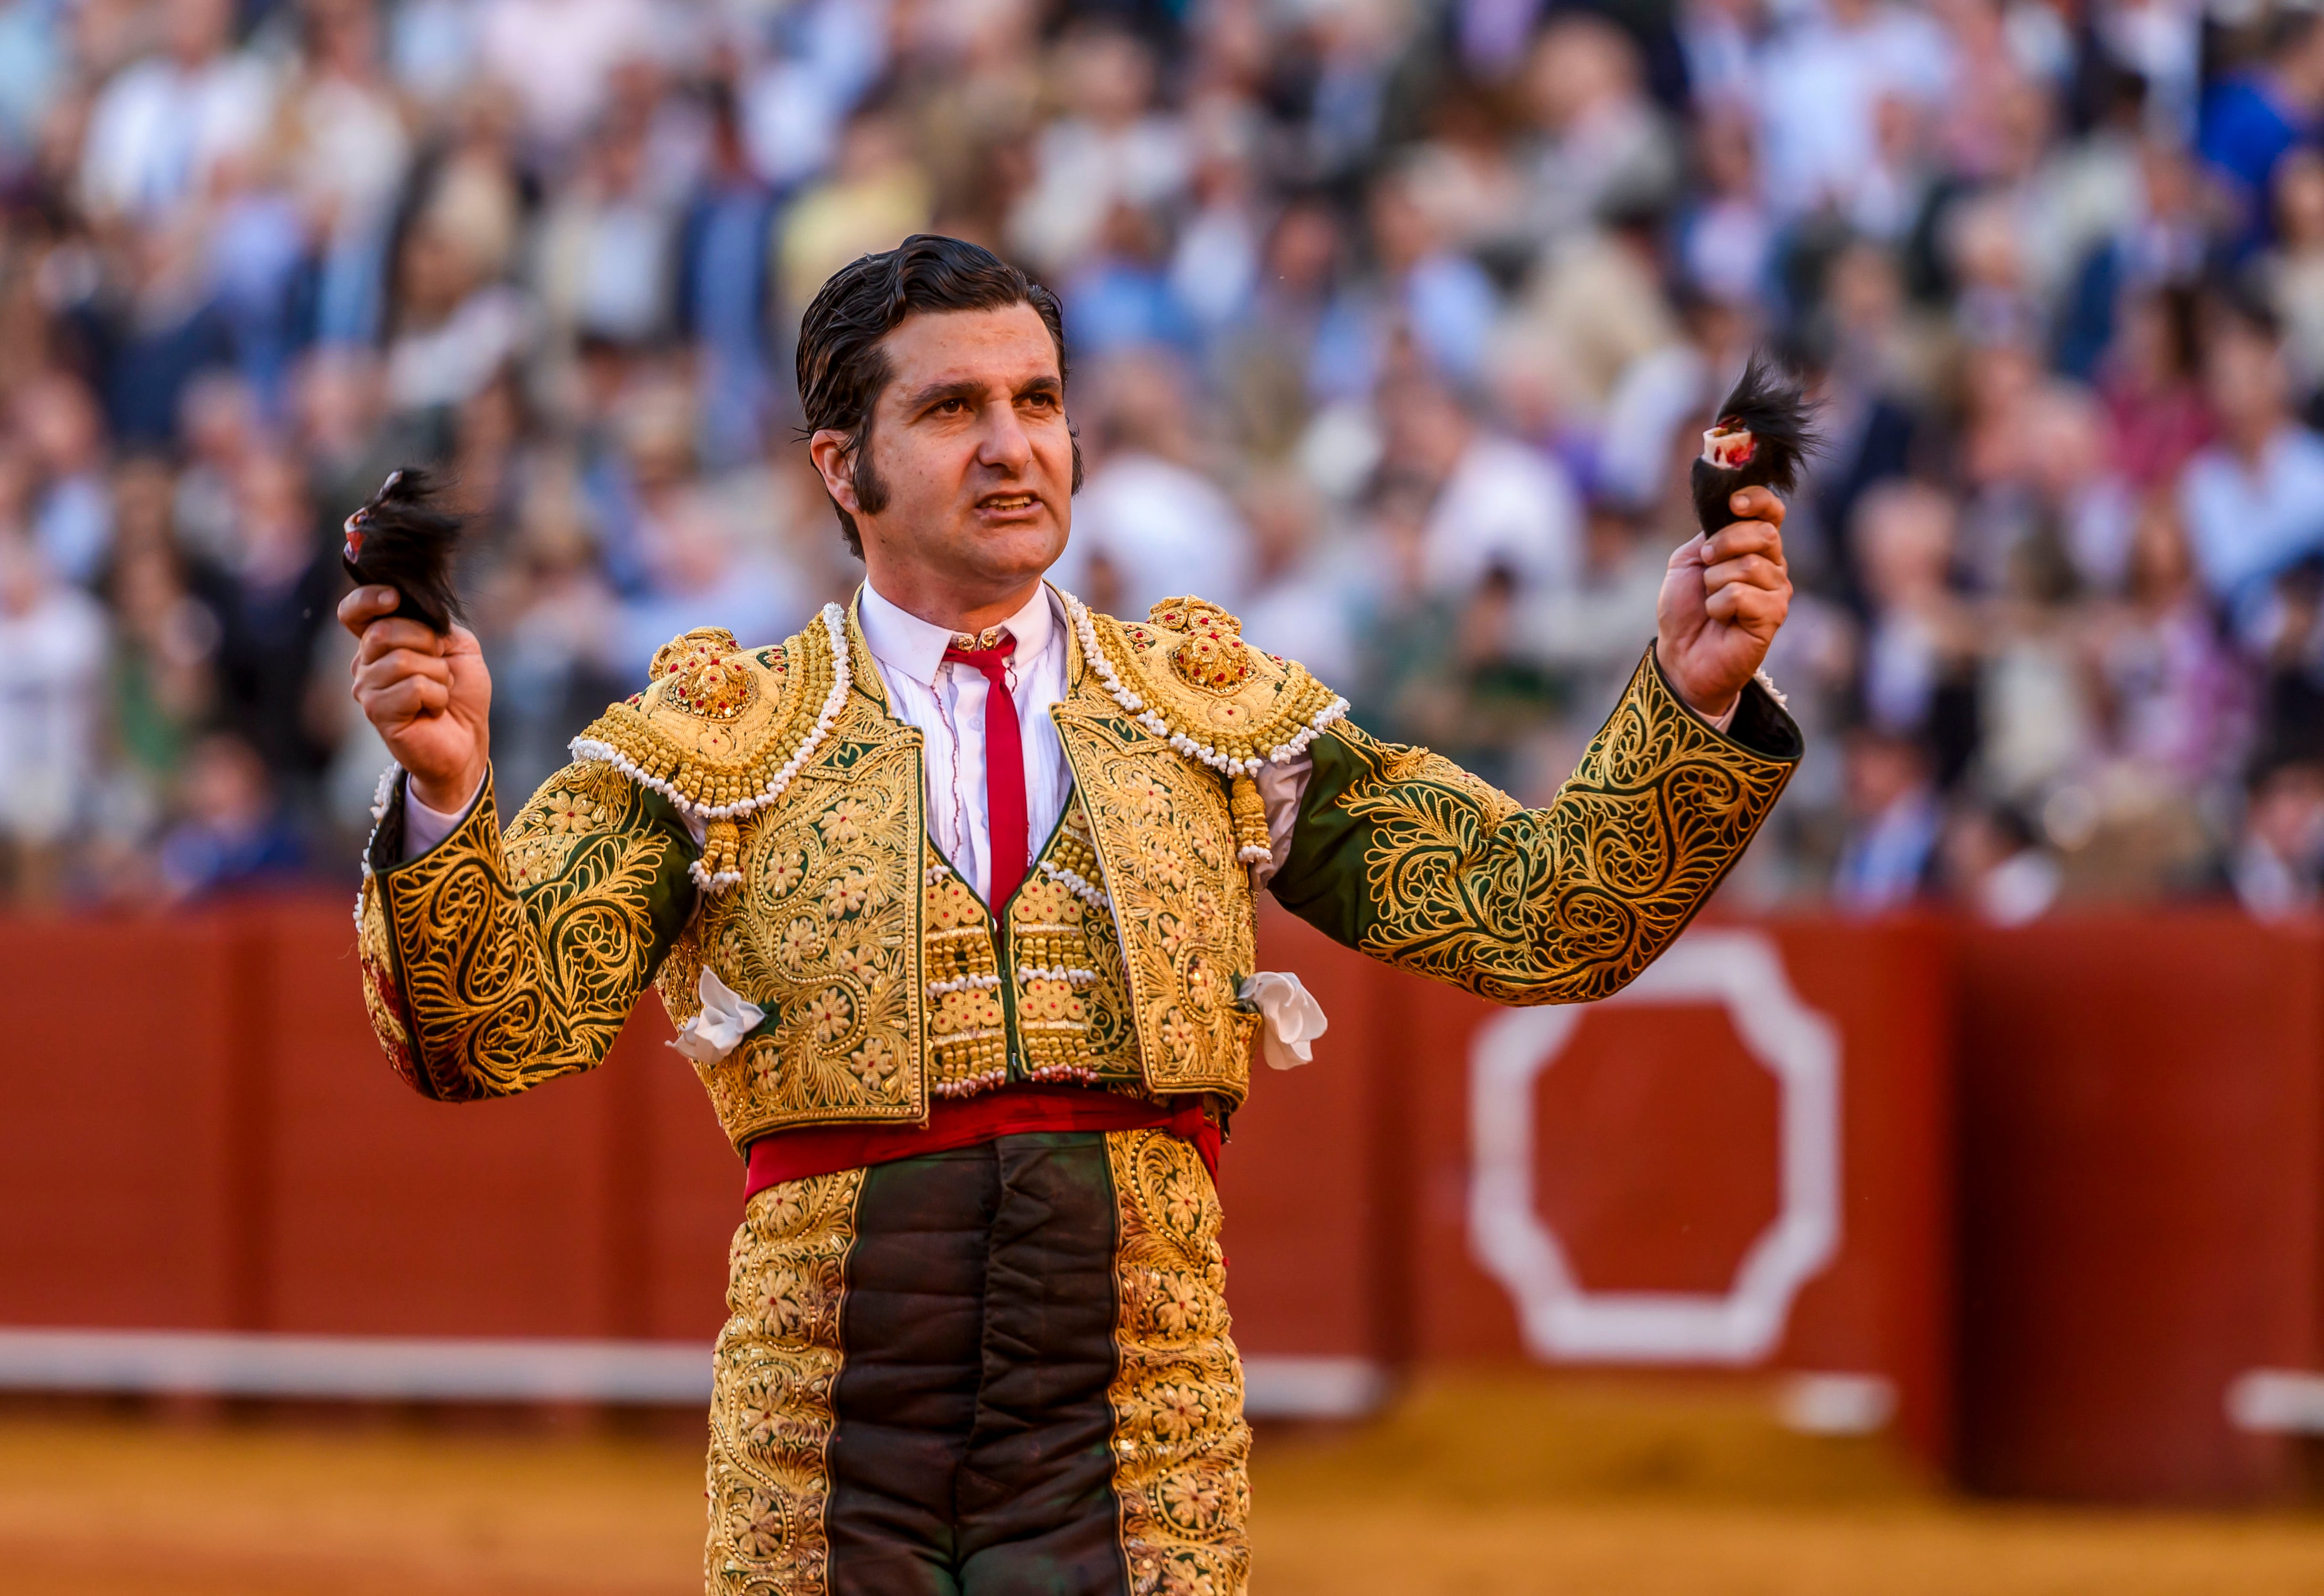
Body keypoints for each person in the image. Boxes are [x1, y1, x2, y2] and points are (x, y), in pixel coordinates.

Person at [339, 235, 1802, 1596]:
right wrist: (453, 798)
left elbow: (1541, 919)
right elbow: (490, 1029)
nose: (1013, 445)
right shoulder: (720, 740)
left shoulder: (1217, 719)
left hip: (1136, 1426)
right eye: (954, 408)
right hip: (830, 1435)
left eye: (1038, 399)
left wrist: (1693, 696)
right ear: (844, 469)